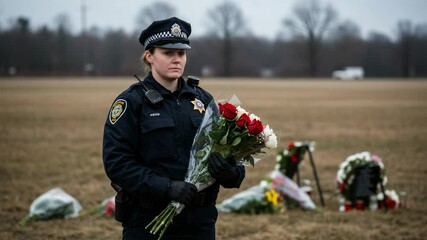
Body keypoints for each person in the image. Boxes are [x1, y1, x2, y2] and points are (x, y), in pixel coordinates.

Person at [102, 17, 245, 240]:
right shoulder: (132, 102)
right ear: (149, 56)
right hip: (149, 221)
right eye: (168, 53)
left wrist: (232, 172)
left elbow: (229, 152)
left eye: (181, 53)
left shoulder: (204, 100)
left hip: (200, 222)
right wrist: (166, 187)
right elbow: (117, 163)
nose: (176, 59)